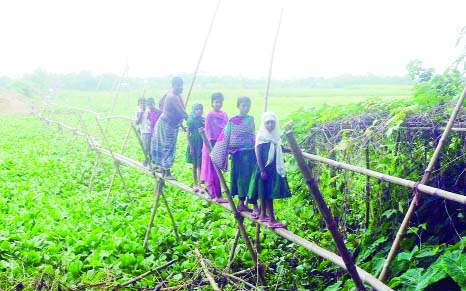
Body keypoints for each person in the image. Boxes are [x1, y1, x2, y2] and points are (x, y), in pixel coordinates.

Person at [211, 96, 258, 212]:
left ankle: (254, 204)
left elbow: (252, 135)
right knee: (240, 179)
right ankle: (241, 203)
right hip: (238, 155)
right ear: (238, 106)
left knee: (252, 179)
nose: (245, 108)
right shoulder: (233, 121)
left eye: (248, 105)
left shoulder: (251, 119)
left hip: (250, 154)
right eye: (243, 105)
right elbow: (226, 136)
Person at [248, 112, 291, 229]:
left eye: (272, 122)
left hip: (273, 168)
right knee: (267, 194)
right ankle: (272, 219)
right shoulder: (262, 136)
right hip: (264, 168)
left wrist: (288, 150)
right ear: (264, 124)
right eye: (268, 123)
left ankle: (263, 215)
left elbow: (279, 147)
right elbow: (258, 154)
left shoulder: (275, 136)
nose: (270, 125)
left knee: (267, 192)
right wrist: (262, 170)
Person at [151, 77, 188, 179]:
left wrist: (182, 125)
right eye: (178, 86)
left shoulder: (177, 96)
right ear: (173, 86)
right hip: (167, 124)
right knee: (167, 146)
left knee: (164, 145)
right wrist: (191, 122)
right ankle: (166, 172)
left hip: (169, 123)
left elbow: (179, 112)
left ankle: (162, 167)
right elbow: (182, 112)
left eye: (181, 85)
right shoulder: (172, 96)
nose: (181, 88)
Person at [200, 93, 229, 202]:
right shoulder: (210, 115)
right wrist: (210, 147)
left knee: (218, 170)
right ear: (212, 103)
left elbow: (226, 130)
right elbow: (208, 132)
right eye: (216, 102)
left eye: (220, 102)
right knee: (213, 170)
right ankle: (217, 194)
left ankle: (215, 193)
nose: (218, 104)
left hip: (221, 144)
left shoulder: (225, 115)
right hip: (211, 144)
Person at [186, 103, 205, 191]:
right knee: (194, 165)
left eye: (201, 109)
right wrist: (191, 147)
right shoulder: (191, 121)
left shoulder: (203, 120)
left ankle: (200, 185)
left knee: (200, 165)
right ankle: (195, 183)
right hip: (194, 144)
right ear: (194, 110)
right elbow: (188, 135)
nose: (199, 111)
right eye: (197, 109)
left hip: (201, 144)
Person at [140, 97, 162, 166]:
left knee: (156, 148)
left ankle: (154, 163)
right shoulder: (149, 112)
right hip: (151, 132)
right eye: (148, 105)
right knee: (149, 148)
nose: (150, 106)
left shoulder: (159, 112)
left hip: (158, 132)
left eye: (151, 104)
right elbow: (148, 122)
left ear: (154, 103)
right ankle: (150, 160)